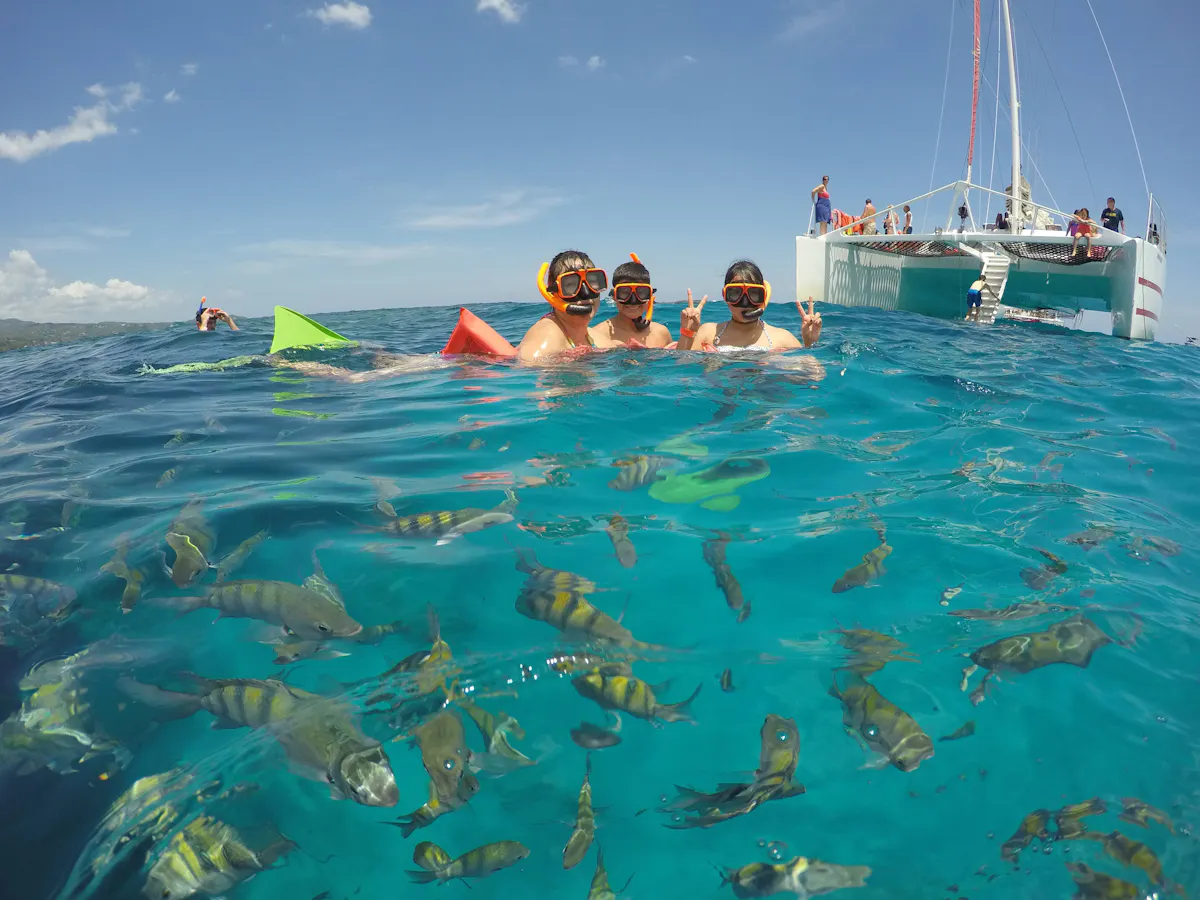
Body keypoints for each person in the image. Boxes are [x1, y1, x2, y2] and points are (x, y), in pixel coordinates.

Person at [675, 260, 822, 352]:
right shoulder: (708, 333)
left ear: (763, 297)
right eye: (735, 293)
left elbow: (814, 380)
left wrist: (810, 343)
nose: (745, 302)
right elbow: (683, 370)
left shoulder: (783, 339)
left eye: (753, 294)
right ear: (724, 296)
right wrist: (688, 332)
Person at [516, 250, 604, 363]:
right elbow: (526, 366)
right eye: (570, 285)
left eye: (592, 282)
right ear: (552, 292)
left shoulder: (593, 336)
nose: (586, 293)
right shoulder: (547, 334)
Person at [591, 254, 673, 349]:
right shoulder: (598, 335)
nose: (633, 301)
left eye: (641, 293)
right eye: (625, 293)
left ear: (650, 295)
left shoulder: (661, 333)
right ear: (614, 296)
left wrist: (688, 334)